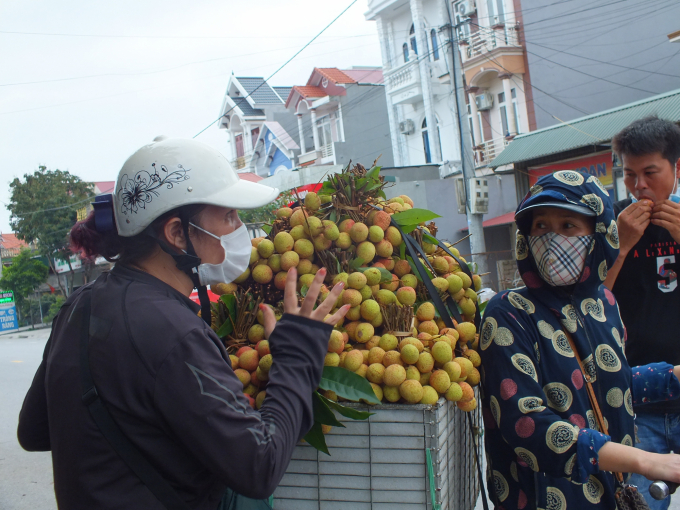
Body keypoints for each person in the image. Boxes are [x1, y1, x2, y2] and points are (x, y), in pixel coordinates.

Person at [17, 137, 349, 510]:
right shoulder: (173, 334)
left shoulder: (80, 304)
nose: (240, 229)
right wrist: (297, 356)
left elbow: (33, 431)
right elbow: (260, 466)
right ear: (177, 234)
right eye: (228, 217)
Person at [479, 171, 680, 509]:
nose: (552, 238)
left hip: (606, 495)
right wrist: (644, 460)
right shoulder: (509, 312)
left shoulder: (604, 305)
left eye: (568, 226)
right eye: (540, 226)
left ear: (598, 233)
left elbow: (603, 386)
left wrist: (670, 378)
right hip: (543, 499)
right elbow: (526, 422)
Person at [605, 117, 680, 509]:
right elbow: (591, 304)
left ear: (677, 167)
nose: (639, 187)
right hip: (636, 401)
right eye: (629, 174)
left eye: (650, 173)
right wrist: (620, 246)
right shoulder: (613, 223)